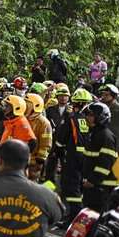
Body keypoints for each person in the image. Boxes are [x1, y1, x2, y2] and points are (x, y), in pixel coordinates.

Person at [52, 87, 92, 224]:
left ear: (76, 103)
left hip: (72, 157)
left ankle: (74, 219)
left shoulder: (71, 118)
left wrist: (57, 152)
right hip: (87, 158)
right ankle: (73, 216)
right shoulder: (90, 120)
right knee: (79, 188)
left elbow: (60, 140)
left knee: (71, 188)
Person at [82, 102, 118, 213]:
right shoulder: (94, 134)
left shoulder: (105, 136)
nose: (88, 118)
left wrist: (93, 180)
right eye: (87, 115)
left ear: (101, 117)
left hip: (102, 186)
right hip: (95, 184)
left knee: (96, 216)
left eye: (91, 115)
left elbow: (105, 163)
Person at [25, 94, 53, 185]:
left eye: (27, 104)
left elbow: (46, 145)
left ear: (35, 106)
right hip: (21, 162)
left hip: (33, 163)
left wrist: (39, 161)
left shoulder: (43, 123)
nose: (24, 106)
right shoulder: (23, 119)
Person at [98, 84, 119, 151]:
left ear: (114, 96)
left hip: (116, 146)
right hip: (101, 144)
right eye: (102, 94)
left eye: (106, 95)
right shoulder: (100, 108)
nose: (103, 97)